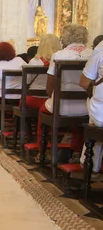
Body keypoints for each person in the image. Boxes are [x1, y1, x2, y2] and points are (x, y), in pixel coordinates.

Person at [36, 24, 92, 154]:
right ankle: (77, 150)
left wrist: (52, 96)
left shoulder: (59, 55)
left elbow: (49, 88)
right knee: (80, 117)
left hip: (62, 106)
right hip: (88, 108)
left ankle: (41, 150)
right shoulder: (92, 54)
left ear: (65, 38)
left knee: (42, 111)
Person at [79, 34, 103, 176]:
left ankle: (90, 165)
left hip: (100, 113)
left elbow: (83, 83)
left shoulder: (99, 54)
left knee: (94, 115)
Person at [24, 34, 61, 110]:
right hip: (53, 99)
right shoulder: (59, 62)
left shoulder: (34, 61)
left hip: (34, 98)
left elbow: (26, 81)